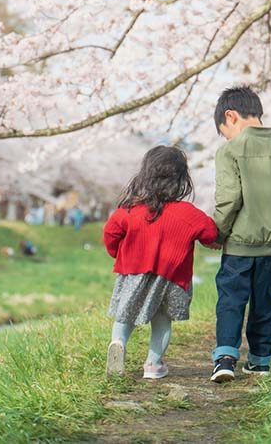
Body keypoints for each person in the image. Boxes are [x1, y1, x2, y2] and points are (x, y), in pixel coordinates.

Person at [209, 86, 271, 383]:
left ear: (232, 116)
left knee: (231, 299)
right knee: (265, 302)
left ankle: (225, 358)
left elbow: (229, 198)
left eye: (224, 131)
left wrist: (217, 233)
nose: (226, 138)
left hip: (239, 246)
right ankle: (260, 361)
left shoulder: (230, 151)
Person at [103, 146, 218, 380]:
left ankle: (118, 343)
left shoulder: (130, 210)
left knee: (125, 315)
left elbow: (110, 233)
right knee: (162, 320)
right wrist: (215, 242)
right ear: (182, 180)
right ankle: (153, 365)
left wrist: (119, 254)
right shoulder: (188, 213)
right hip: (171, 277)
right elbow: (210, 233)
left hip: (133, 272)